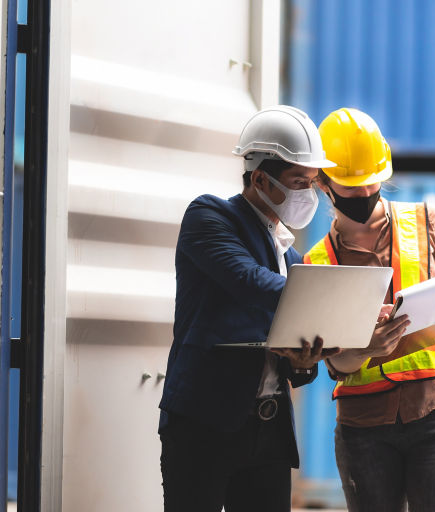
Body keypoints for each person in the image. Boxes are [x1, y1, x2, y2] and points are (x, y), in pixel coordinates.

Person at [303, 108, 435, 512]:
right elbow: (337, 364)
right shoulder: (319, 262)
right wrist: (367, 347)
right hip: (364, 427)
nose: (366, 193)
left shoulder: (429, 222)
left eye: (373, 182)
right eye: (352, 187)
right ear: (323, 183)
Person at [158, 105, 341, 512]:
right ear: (261, 178)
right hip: (204, 424)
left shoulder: (291, 257)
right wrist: (328, 300)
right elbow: (249, 282)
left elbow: (290, 349)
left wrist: (305, 356)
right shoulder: (209, 217)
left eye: (312, 183)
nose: (308, 194)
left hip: (269, 429)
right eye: (299, 181)